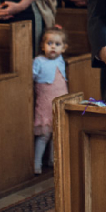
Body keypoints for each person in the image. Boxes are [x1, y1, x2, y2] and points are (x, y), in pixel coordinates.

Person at [32, 27, 68, 174]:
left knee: (56, 133)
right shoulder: (39, 61)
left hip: (59, 100)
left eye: (57, 44)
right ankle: (36, 163)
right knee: (44, 135)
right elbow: (31, 77)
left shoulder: (60, 59)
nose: (53, 47)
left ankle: (52, 160)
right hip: (45, 103)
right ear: (43, 46)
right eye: (49, 43)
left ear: (64, 48)